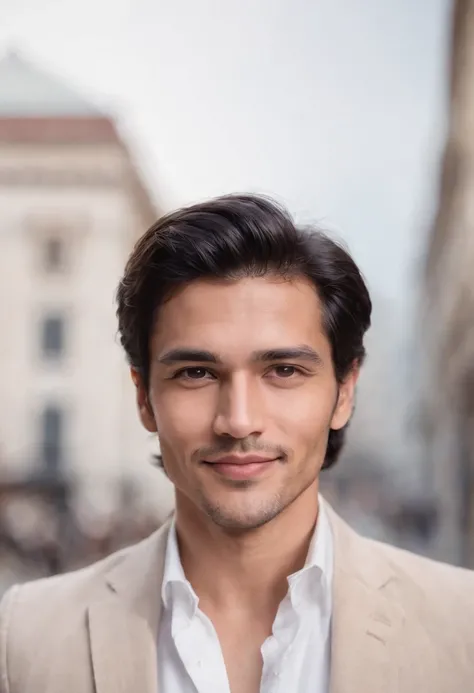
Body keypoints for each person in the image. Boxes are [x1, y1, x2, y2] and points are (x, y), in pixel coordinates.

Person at [1, 194, 473, 693]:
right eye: (197, 373)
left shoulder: (461, 627)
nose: (238, 421)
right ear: (143, 397)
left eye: (284, 370)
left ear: (344, 392)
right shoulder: (28, 636)